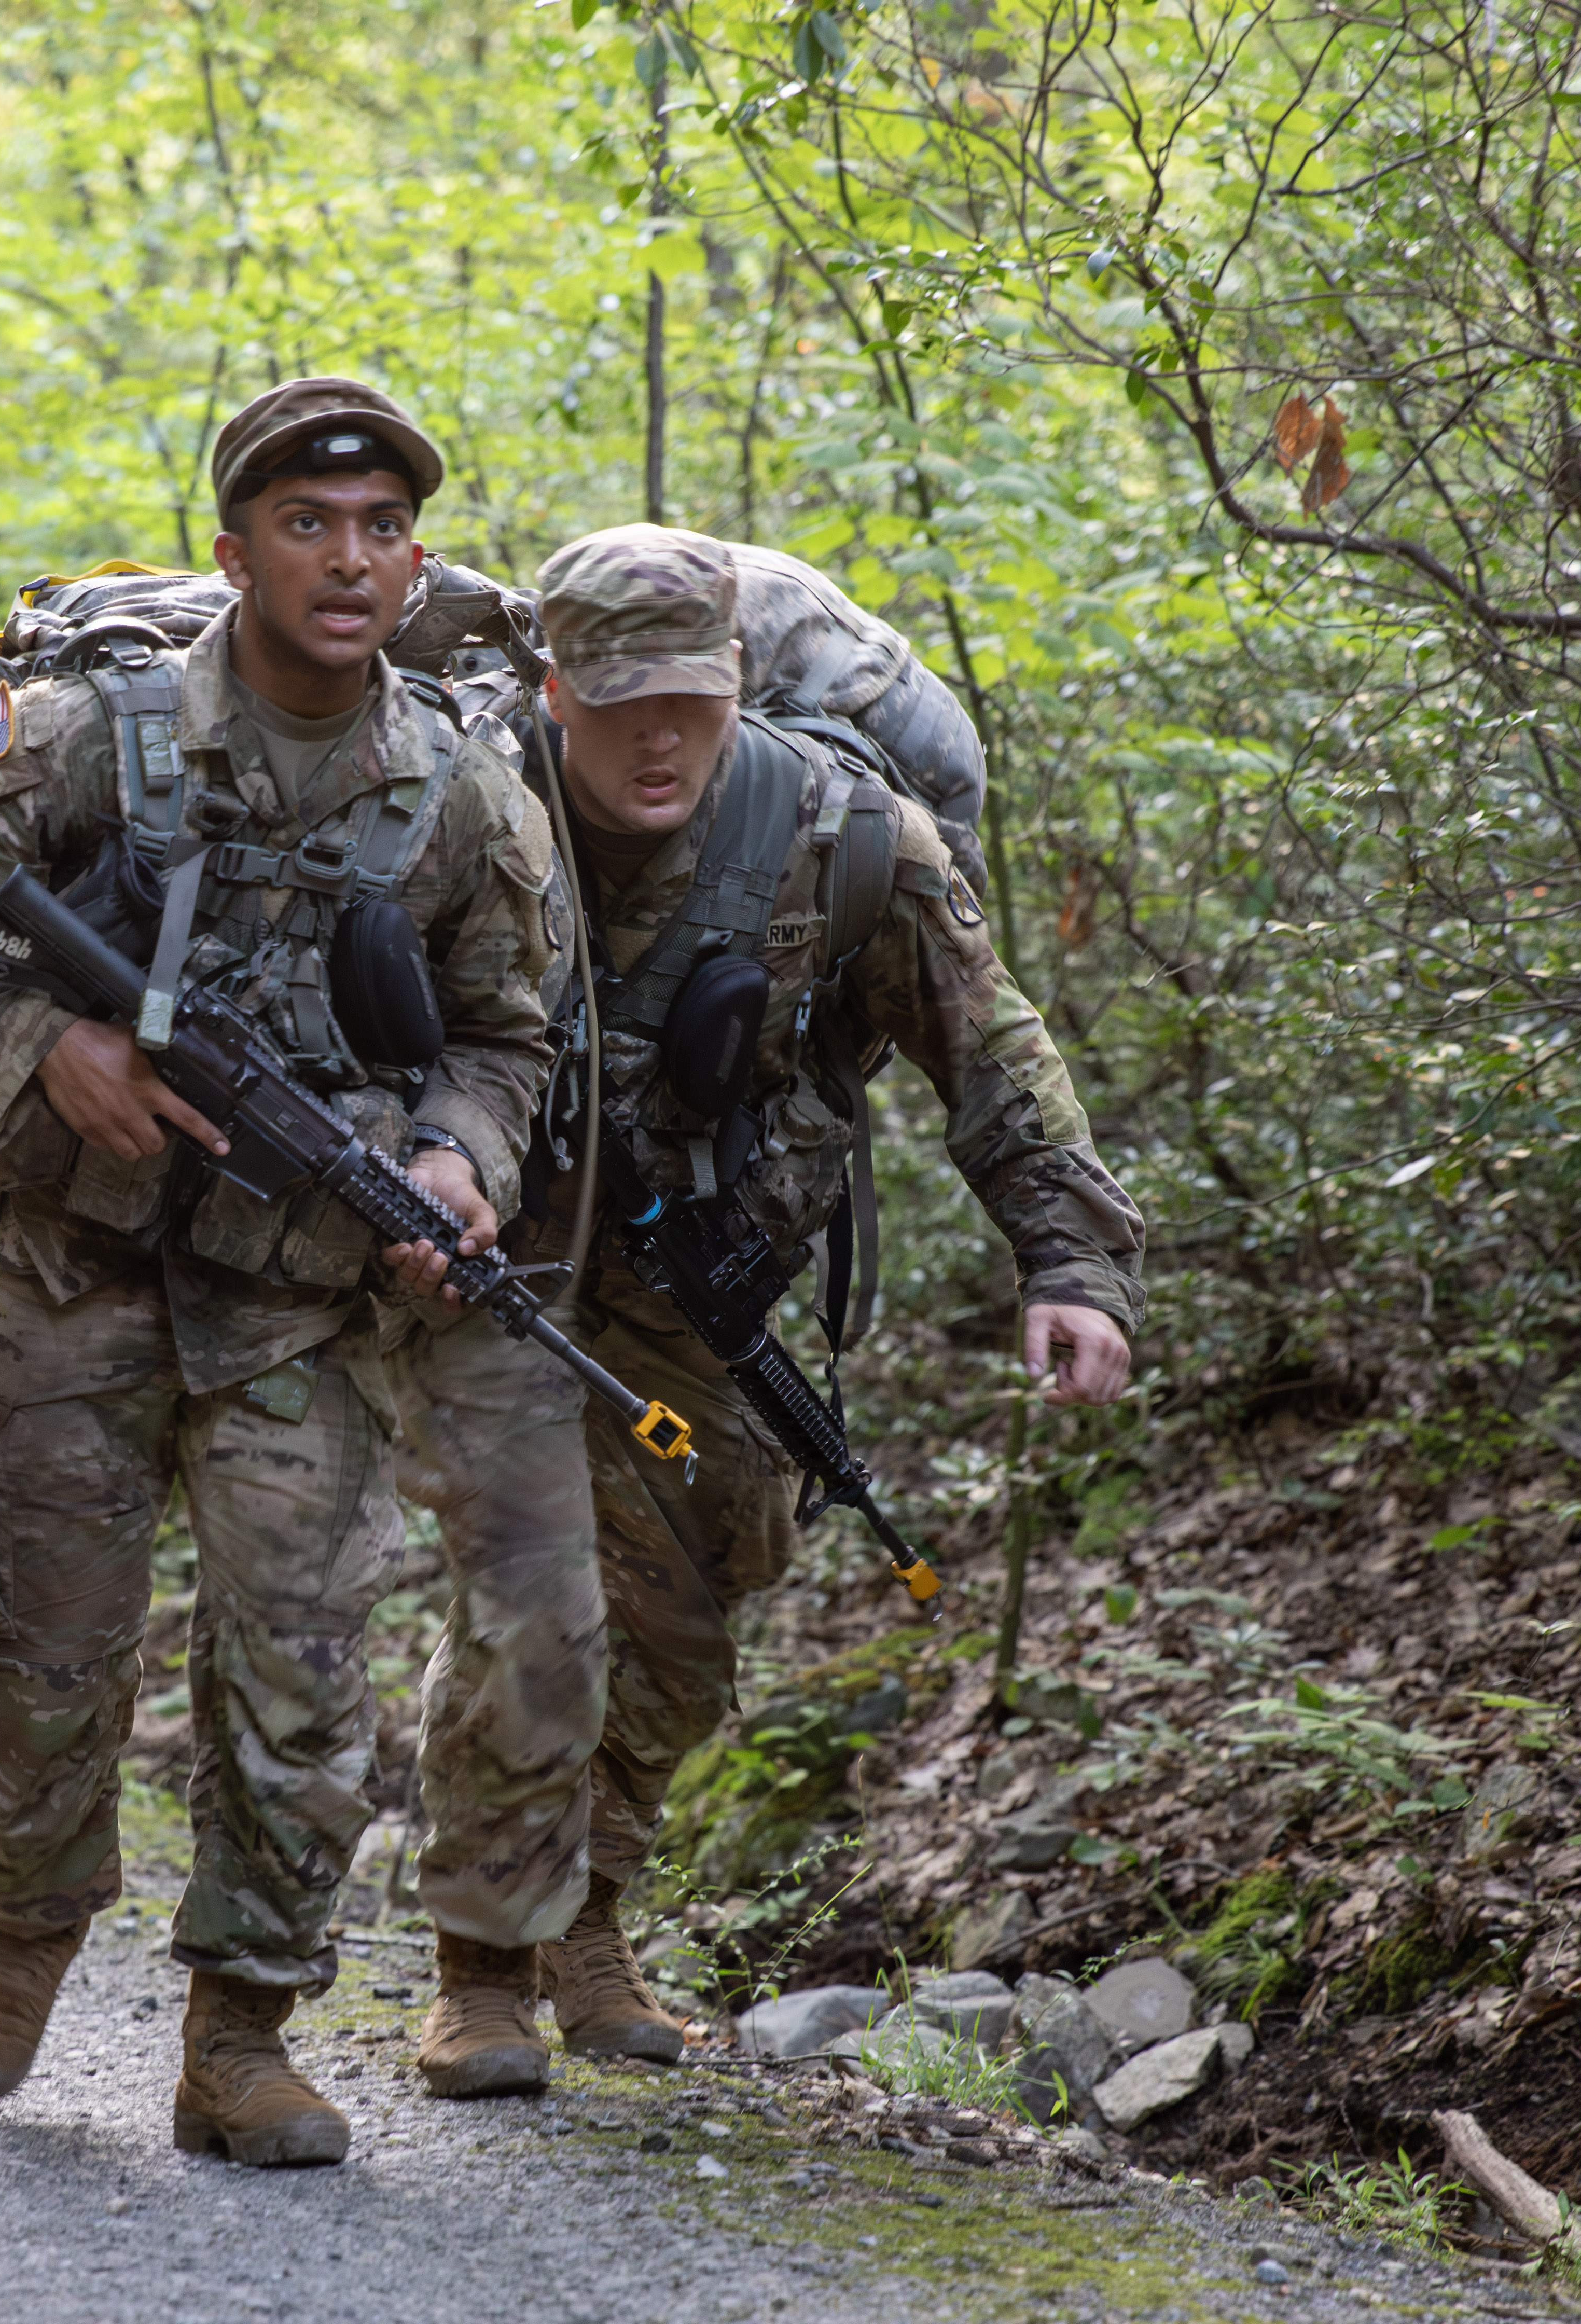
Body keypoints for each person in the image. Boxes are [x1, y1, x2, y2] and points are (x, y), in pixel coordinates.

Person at [0, 377, 563, 2167]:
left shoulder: (462, 792)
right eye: (310, 525)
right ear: (234, 549)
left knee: (307, 1666)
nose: (350, 558)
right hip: (71, 1268)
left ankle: (241, 2035)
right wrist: (43, 1060)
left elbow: (507, 1036)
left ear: (415, 562)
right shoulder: (87, 738)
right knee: (37, 1640)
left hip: (301, 1295)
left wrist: (461, 1156)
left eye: (384, 528)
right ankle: (25, 1930)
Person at [435, 524, 1146, 2064]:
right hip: (479, 1265)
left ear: (738, 677)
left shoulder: (845, 840)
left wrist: (1069, 1258)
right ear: (553, 689)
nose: (656, 738)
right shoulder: (458, 811)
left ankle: (585, 1909)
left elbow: (992, 1048)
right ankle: (481, 1969)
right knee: (537, 1597)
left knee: (696, 1604)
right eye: (617, 703)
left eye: (688, 699)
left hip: (683, 1281)